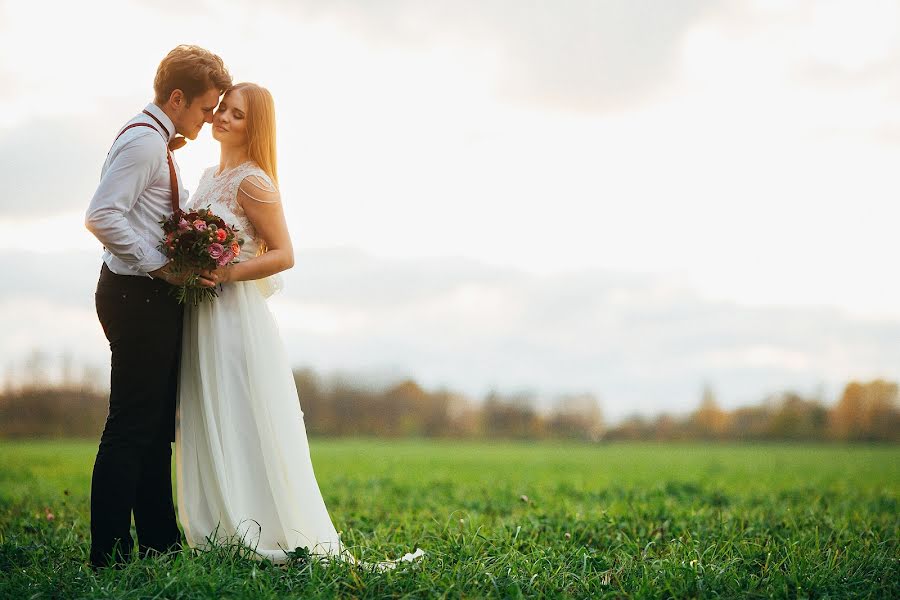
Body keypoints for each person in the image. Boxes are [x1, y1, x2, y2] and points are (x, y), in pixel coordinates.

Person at [175, 83, 423, 569]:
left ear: (255, 127)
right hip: (199, 313)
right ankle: (219, 527)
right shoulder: (208, 175)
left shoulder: (253, 181)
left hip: (233, 315)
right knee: (209, 415)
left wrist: (225, 271)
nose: (223, 118)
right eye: (223, 109)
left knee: (241, 416)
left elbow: (284, 254)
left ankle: (259, 525)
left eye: (238, 115)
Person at [84, 45, 232, 568]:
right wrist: (161, 265)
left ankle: (158, 540)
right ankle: (108, 551)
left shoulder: (154, 142)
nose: (209, 117)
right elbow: (101, 214)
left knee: (152, 426)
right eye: (205, 107)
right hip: (136, 295)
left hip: (145, 296)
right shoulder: (145, 144)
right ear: (176, 97)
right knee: (130, 424)